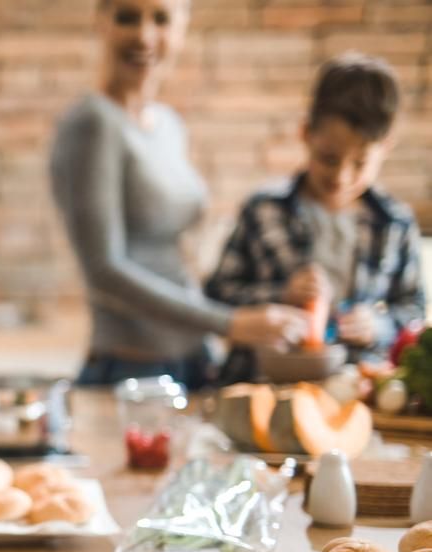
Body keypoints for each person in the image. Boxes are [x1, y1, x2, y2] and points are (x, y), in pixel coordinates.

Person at [49, 0, 310, 390]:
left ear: (182, 28)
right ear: (100, 22)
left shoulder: (168, 124)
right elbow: (103, 272)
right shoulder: (93, 123)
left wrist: (266, 296)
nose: (144, 35)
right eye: (127, 17)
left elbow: (175, 256)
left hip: (194, 360)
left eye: (161, 19)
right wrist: (232, 324)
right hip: (132, 372)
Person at [204, 52, 425, 382]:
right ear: (306, 133)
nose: (342, 176)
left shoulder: (396, 224)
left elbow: (414, 310)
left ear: (386, 148)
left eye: (360, 163)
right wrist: (280, 293)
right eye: (329, 158)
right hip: (262, 384)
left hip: (351, 390)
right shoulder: (263, 209)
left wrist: (378, 326)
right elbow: (215, 297)